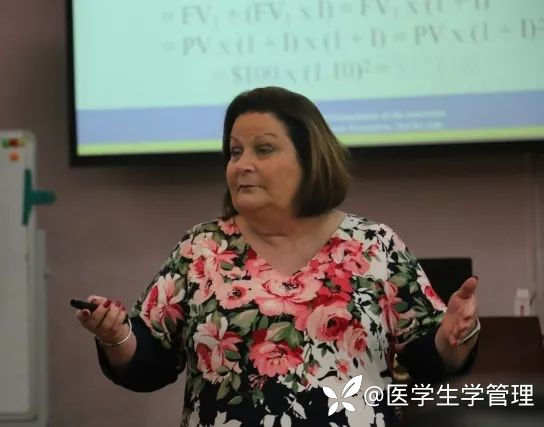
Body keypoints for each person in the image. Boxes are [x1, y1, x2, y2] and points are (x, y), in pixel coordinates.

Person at [75, 86, 480, 426]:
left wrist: (453, 338)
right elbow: (150, 363)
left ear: (309, 159)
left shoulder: (374, 245)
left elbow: (430, 360)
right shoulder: (202, 248)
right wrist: (117, 336)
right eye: (235, 152)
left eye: (263, 150)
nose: (242, 165)